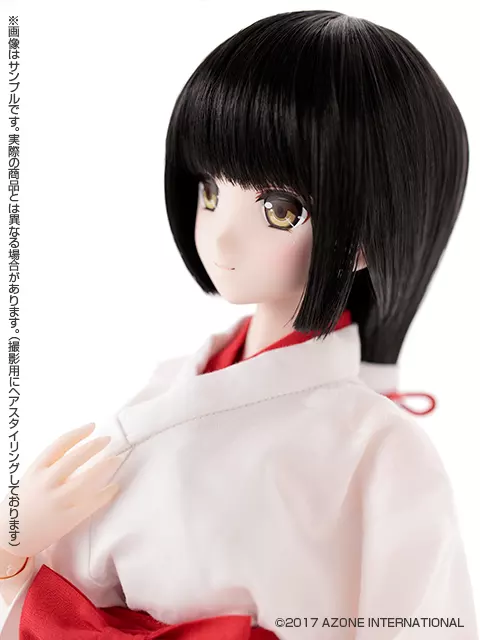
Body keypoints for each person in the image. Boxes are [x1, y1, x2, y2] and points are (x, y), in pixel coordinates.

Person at [0, 9, 477, 639]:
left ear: (367, 237)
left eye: (279, 208)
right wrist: (15, 542)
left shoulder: (379, 447)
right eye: (209, 189)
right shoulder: (172, 382)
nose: (221, 234)